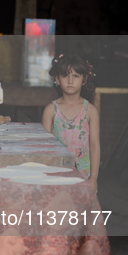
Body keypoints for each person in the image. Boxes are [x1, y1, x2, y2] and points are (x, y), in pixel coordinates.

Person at [42, 54, 100, 190]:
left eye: (76, 76)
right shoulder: (51, 110)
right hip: (55, 176)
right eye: (65, 76)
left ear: (84, 79)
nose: (70, 81)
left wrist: (93, 178)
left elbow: (95, 145)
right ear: (57, 79)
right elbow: (44, 148)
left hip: (83, 176)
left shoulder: (90, 111)